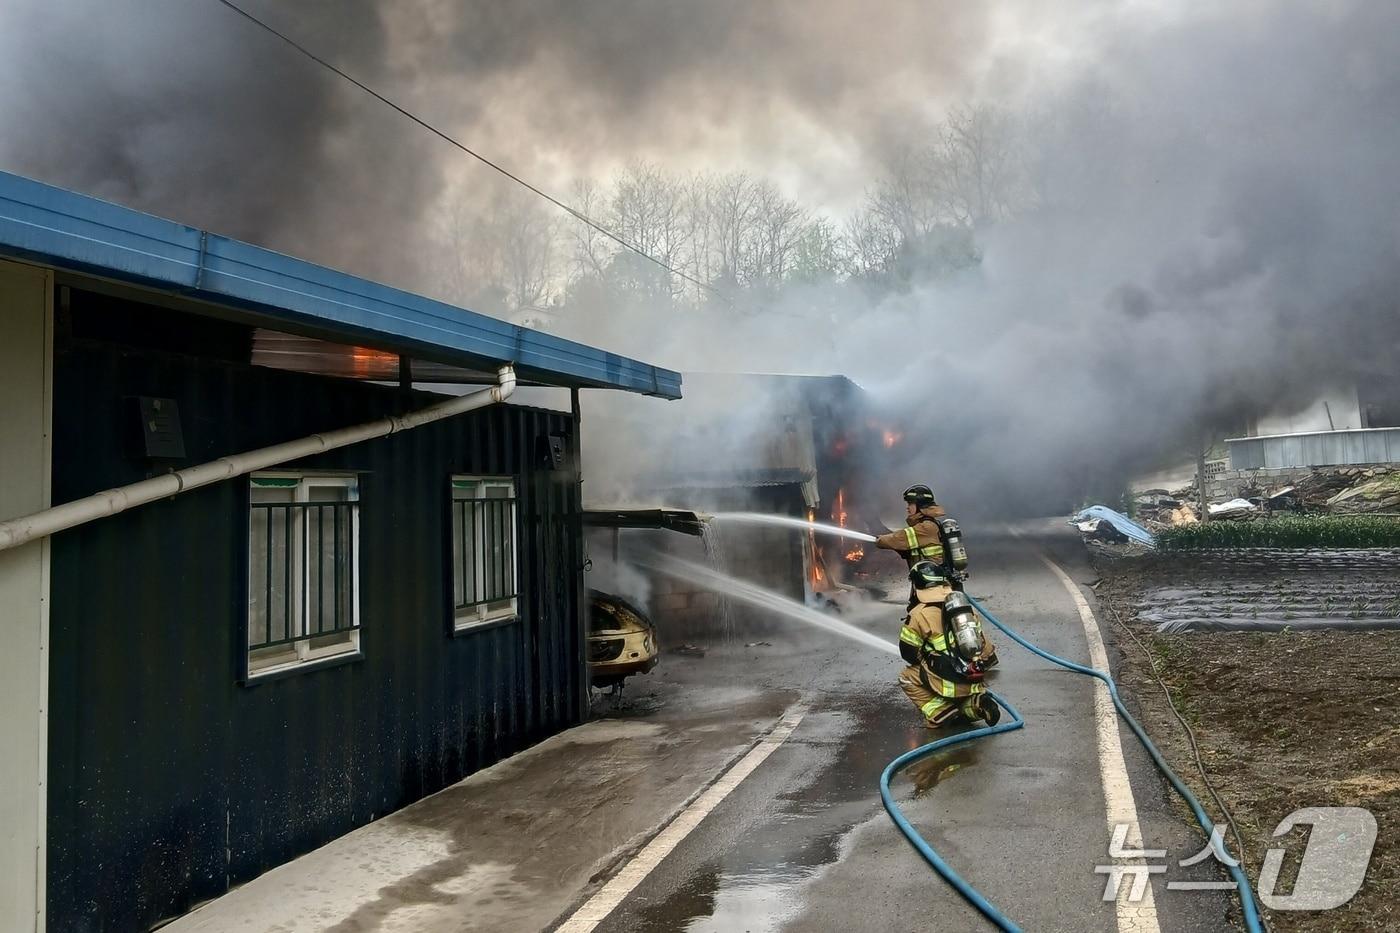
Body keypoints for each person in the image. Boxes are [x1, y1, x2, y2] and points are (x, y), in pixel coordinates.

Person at [898, 561, 1000, 729]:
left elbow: (908, 654)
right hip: (975, 677)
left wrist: (929, 658)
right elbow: (986, 648)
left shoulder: (919, 614)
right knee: (963, 702)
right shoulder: (965, 609)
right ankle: (977, 704)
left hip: (947, 683)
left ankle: (942, 713)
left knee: (907, 677)